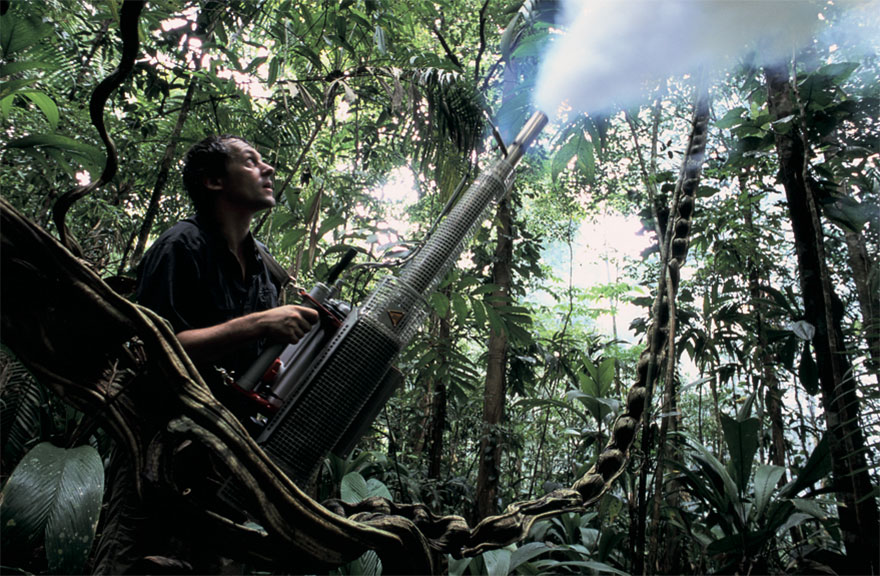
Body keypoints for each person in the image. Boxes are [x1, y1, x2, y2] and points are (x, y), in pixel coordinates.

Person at [135, 134, 319, 391]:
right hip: (176, 418)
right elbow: (156, 349)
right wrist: (260, 324)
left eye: (262, 161)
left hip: (238, 424)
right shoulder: (180, 246)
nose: (269, 169)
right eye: (249, 162)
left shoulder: (264, 265)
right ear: (213, 181)